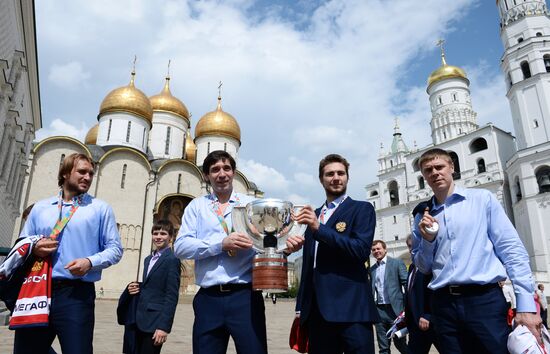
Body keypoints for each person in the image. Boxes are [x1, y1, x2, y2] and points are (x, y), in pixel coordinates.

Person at [174, 150, 304, 354]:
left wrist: (286, 248)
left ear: (234, 172)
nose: (221, 174)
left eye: (226, 168)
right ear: (207, 176)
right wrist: (220, 244)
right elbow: (180, 247)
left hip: (245, 297)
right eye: (215, 169)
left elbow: (268, 242)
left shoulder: (251, 206)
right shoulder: (197, 207)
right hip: (208, 299)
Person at [412, 148, 540, 353]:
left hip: (483, 300)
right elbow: (423, 267)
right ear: (424, 176)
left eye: (440, 167)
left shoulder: (482, 199)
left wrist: (526, 305)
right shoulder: (422, 215)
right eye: (428, 170)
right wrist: (428, 241)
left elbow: (511, 250)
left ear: (452, 167)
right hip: (443, 304)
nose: (435, 173)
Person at [15, 152, 123, 354]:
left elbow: (115, 249)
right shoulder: (40, 208)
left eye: (91, 173)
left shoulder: (99, 209)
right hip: (38, 290)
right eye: (82, 172)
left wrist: (90, 262)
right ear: (65, 173)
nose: (87, 177)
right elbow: (21, 244)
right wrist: (34, 249)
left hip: (76, 295)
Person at [295, 153, 379, 354]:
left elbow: (359, 250)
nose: (336, 178)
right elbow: (309, 265)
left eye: (341, 173)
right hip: (318, 312)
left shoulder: (362, 209)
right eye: (330, 174)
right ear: (321, 179)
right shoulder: (313, 215)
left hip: (352, 309)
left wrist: (319, 229)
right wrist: (301, 307)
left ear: (347, 177)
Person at [127, 219, 181, 354]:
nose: (158, 237)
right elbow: (151, 285)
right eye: (155, 233)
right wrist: (134, 287)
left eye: (163, 234)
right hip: (139, 319)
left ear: (171, 237)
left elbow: (171, 295)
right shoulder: (148, 259)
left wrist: (163, 327)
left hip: (155, 323)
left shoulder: (172, 260)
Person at [404, 235, 441, 354]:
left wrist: (428, 315)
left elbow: (435, 291)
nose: (411, 249)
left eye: (414, 246)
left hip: (431, 322)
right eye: (409, 246)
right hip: (415, 325)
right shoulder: (412, 268)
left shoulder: (431, 265)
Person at [370, 240, 408, 354]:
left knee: (400, 344)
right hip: (379, 312)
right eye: (374, 250)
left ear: (385, 249)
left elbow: (406, 284)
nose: (376, 251)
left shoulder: (396, 263)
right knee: (383, 348)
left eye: (378, 248)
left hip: (396, 311)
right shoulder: (371, 269)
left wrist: (407, 307)